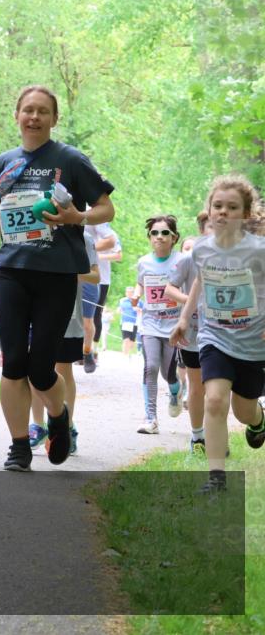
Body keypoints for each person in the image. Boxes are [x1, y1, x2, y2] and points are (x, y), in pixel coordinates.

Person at [0, 85, 115, 471]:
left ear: (54, 119)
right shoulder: (4, 164)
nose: (34, 117)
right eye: (28, 110)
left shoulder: (71, 160)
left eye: (43, 111)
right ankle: (19, 447)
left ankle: (58, 418)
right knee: (13, 364)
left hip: (57, 273)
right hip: (12, 271)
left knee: (42, 367)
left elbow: (106, 209)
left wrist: (78, 217)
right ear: (17, 116)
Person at [170, 174, 265, 493]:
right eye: (217, 206)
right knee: (213, 400)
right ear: (209, 210)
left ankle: (258, 419)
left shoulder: (258, 251)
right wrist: (184, 318)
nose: (223, 212)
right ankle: (216, 478)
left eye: (232, 207)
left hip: (253, 342)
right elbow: (199, 282)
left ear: (246, 214)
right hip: (214, 338)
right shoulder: (201, 250)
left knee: (243, 410)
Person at [28, 231, 99, 454]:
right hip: (35, 311)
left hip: (69, 315)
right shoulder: (33, 231)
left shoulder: (82, 238)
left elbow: (95, 276)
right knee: (34, 368)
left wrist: (69, 270)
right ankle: (37, 426)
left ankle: (67, 427)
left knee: (62, 369)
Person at [133, 215, 183, 434]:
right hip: (151, 323)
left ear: (174, 238)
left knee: (168, 374)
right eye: (155, 233)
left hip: (174, 326)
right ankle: (150, 417)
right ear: (149, 237)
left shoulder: (182, 261)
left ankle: (175, 391)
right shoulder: (144, 262)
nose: (159, 237)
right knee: (150, 367)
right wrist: (136, 295)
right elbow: (140, 283)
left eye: (165, 233)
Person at [166, 233, 207, 452]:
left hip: (224, 333)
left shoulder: (234, 258)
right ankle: (198, 437)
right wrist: (190, 303)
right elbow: (169, 288)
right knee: (197, 387)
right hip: (192, 333)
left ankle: (216, 434)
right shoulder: (188, 260)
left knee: (218, 391)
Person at [81, 223, 121, 372]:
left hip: (99, 277)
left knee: (92, 316)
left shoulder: (97, 219)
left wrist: (89, 249)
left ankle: (91, 351)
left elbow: (117, 251)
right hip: (72, 273)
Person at [117, 286, 140, 357]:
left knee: (132, 341)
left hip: (134, 323)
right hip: (125, 322)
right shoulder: (122, 300)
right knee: (126, 339)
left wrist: (138, 309)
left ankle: (129, 353)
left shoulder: (138, 301)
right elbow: (118, 309)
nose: (129, 294)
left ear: (134, 293)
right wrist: (118, 310)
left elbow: (142, 311)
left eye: (131, 292)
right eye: (128, 292)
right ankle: (125, 355)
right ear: (126, 293)